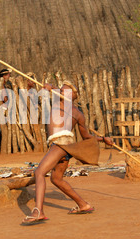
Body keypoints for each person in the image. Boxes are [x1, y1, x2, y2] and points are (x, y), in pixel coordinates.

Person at [21, 80, 113, 225]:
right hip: (67, 148)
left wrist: (49, 87)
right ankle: (83, 204)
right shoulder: (76, 113)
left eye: (64, 91)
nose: (60, 92)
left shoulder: (63, 104)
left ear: (71, 95)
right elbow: (87, 137)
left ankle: (38, 210)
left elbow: (87, 137)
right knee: (56, 179)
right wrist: (103, 139)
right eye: (61, 90)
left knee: (39, 173)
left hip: (60, 146)